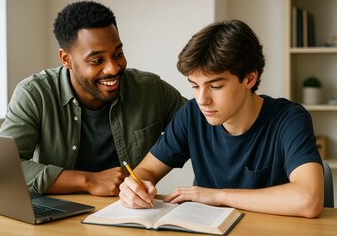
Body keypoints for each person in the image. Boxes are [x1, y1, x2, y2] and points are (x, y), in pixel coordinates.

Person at [119, 20, 324, 218]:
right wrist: (135, 186)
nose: (202, 100)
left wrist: (219, 196)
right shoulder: (192, 115)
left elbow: (309, 199)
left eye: (215, 87)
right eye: (195, 85)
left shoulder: (289, 119)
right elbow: (147, 170)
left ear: (249, 79)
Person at [0, 1, 186, 197]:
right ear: (66, 59)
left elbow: (200, 126)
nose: (113, 68)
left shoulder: (150, 89)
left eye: (118, 54)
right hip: (58, 215)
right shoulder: (35, 94)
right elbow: (5, 169)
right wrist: (88, 181)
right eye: (97, 60)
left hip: (129, 213)